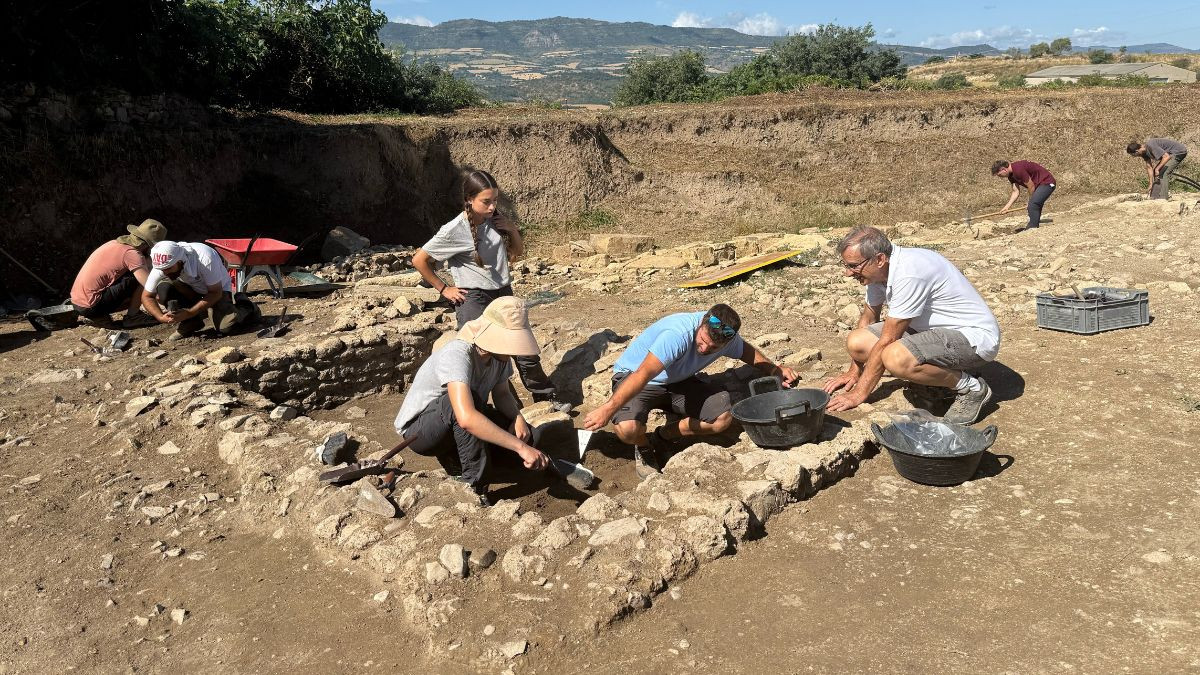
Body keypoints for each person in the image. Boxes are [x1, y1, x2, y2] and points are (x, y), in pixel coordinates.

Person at [411, 170, 571, 414]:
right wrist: (444, 288)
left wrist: (513, 230)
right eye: (486, 201)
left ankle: (546, 399)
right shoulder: (454, 229)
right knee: (481, 356)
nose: (492, 206)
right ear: (469, 200)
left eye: (495, 199)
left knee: (524, 349)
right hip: (474, 297)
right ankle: (498, 411)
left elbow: (516, 253)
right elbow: (419, 260)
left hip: (504, 292)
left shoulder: (496, 218)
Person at [582, 304, 799, 480]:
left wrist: (774, 369)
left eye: (713, 348)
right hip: (637, 378)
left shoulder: (726, 338)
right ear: (702, 322)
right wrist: (608, 408)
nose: (704, 349)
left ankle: (662, 436)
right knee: (628, 430)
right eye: (703, 341)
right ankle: (643, 445)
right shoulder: (678, 334)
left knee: (722, 419)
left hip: (678, 381)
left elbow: (748, 353)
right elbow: (642, 375)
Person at [824, 226, 1001, 425]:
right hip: (930, 332)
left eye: (853, 266)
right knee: (857, 341)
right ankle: (935, 375)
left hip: (972, 339)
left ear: (880, 259)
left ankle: (970, 387)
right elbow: (868, 318)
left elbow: (888, 339)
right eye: (846, 265)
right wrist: (854, 372)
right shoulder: (877, 272)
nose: (848, 273)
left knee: (894, 357)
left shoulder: (909, 272)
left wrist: (859, 394)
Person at [393, 296, 551, 505]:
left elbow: (502, 394)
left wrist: (517, 418)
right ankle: (474, 486)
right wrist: (520, 448)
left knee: (532, 437)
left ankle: (461, 460)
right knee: (467, 406)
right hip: (420, 433)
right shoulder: (458, 354)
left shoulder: (499, 357)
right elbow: (466, 417)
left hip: (459, 421)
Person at [140, 240, 256, 340]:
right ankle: (191, 322)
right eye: (162, 270)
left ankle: (246, 306)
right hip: (191, 287)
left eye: (169, 269)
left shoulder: (204, 257)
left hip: (217, 289)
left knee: (226, 327)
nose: (164, 272)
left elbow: (215, 292)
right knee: (165, 287)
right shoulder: (163, 265)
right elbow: (146, 296)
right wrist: (160, 317)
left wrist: (190, 312)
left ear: (180, 261)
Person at [69, 219, 167, 327]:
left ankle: (101, 316)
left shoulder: (114, 243)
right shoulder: (132, 254)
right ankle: (133, 316)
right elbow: (150, 287)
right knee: (142, 279)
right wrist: (166, 300)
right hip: (92, 306)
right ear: (149, 245)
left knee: (138, 275)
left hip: (77, 302)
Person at [991, 159, 1056, 231]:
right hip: (1039, 185)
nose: (1001, 177)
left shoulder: (1018, 169)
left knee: (1033, 204)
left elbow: (1031, 186)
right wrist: (1007, 207)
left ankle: (1032, 228)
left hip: (1047, 182)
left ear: (1004, 169)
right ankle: (1035, 223)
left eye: (1000, 175)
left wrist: (1030, 201)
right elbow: (1015, 191)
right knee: (1034, 204)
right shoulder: (1011, 176)